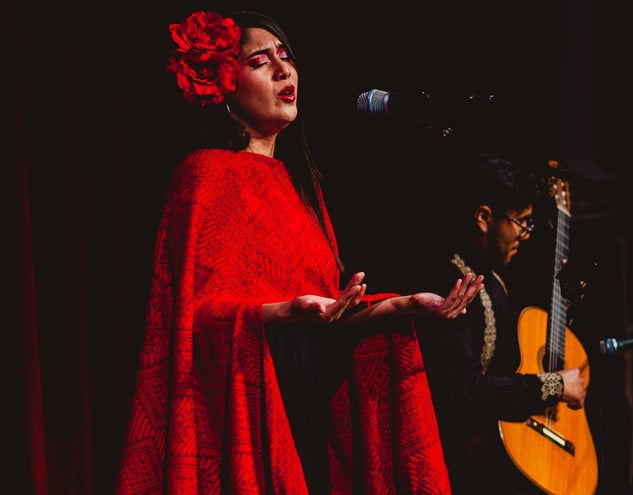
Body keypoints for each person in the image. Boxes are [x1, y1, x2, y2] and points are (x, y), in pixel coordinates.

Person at [114, 10, 484, 495]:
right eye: (260, 61)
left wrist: (408, 304)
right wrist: (291, 308)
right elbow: (197, 320)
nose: (284, 70)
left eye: (286, 58)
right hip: (250, 407)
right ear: (223, 84)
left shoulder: (298, 186)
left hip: (307, 410)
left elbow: (328, 308)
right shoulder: (205, 174)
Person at [407, 151, 589, 495]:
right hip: (449, 455)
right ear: (484, 217)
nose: (526, 234)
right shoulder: (446, 281)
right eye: (522, 222)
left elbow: (514, 366)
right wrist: (553, 386)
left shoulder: (491, 281)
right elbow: (466, 389)